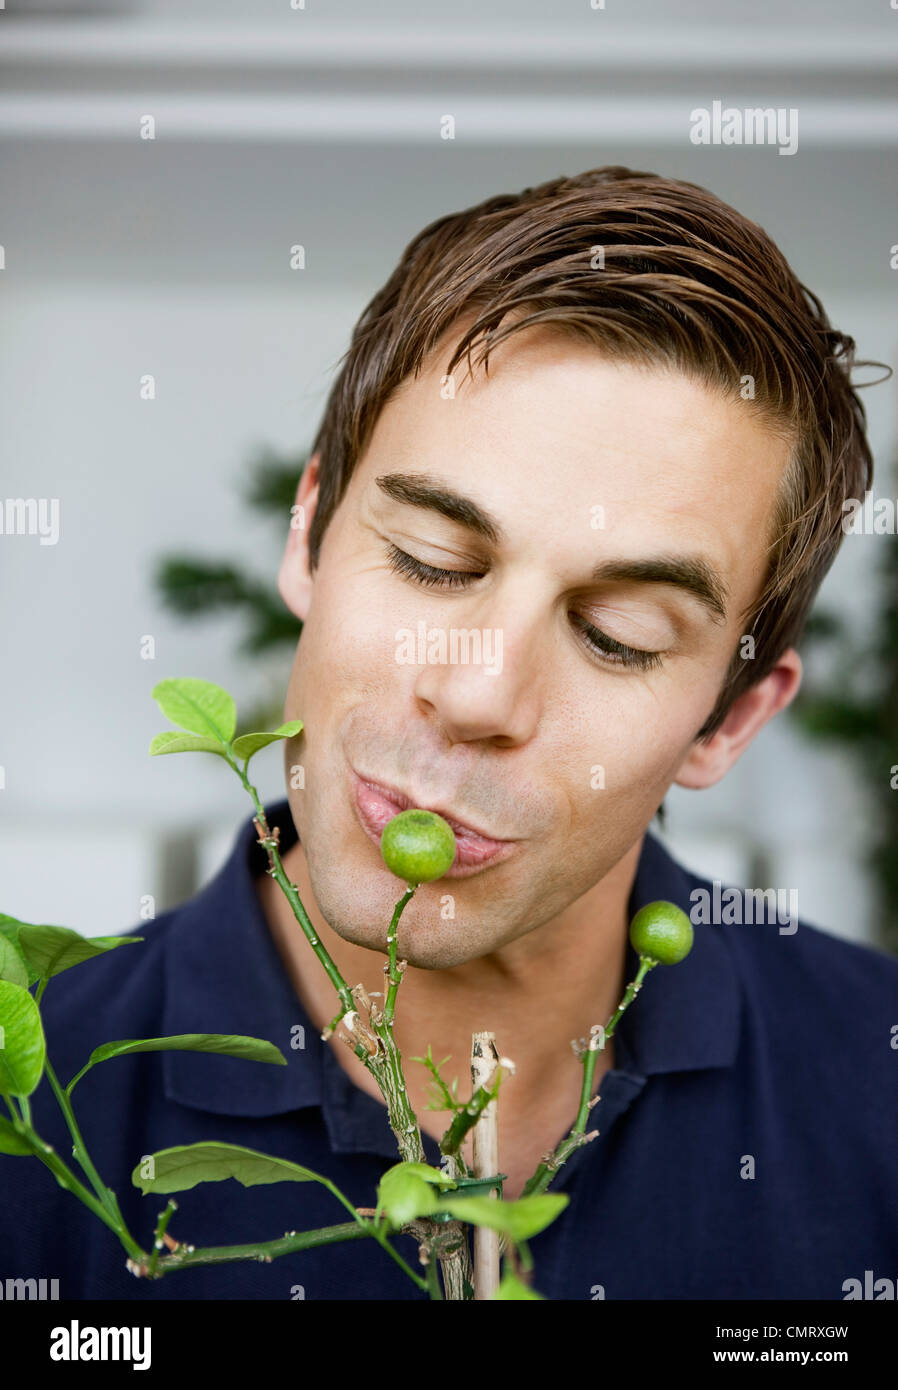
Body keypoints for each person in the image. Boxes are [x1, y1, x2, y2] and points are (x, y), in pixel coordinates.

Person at [3, 166, 896, 1301]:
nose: (478, 697)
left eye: (617, 635)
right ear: (311, 536)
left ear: (730, 718)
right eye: (432, 561)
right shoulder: (31, 1113)